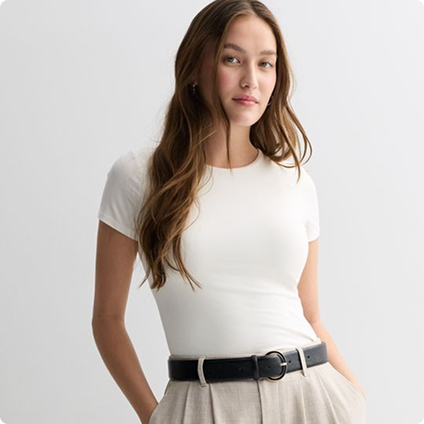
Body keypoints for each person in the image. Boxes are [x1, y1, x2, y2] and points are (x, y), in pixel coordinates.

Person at [93, 0, 367, 423]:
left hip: (312, 396)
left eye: (265, 63)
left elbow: (311, 315)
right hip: (204, 402)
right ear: (194, 67)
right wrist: (154, 417)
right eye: (232, 59)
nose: (251, 79)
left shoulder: (294, 181)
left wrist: (354, 398)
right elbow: (108, 319)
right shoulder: (139, 177)